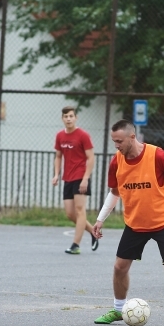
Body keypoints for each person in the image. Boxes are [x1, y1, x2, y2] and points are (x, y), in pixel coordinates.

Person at [92, 119, 164, 325]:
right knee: (119, 268)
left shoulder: (157, 155)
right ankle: (118, 309)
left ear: (132, 137)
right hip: (135, 224)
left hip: (162, 222)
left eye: (119, 141)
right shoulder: (116, 162)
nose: (116, 146)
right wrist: (100, 219)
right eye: (114, 141)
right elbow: (114, 193)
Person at [52, 106, 97, 254]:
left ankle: (75, 245)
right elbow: (58, 156)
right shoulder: (60, 136)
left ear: (76, 118)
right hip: (68, 178)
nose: (68, 119)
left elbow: (91, 158)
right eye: (66, 116)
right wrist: (56, 174)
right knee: (70, 214)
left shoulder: (83, 135)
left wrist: (86, 178)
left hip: (80, 177)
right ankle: (92, 231)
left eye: (71, 116)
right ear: (62, 119)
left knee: (79, 210)